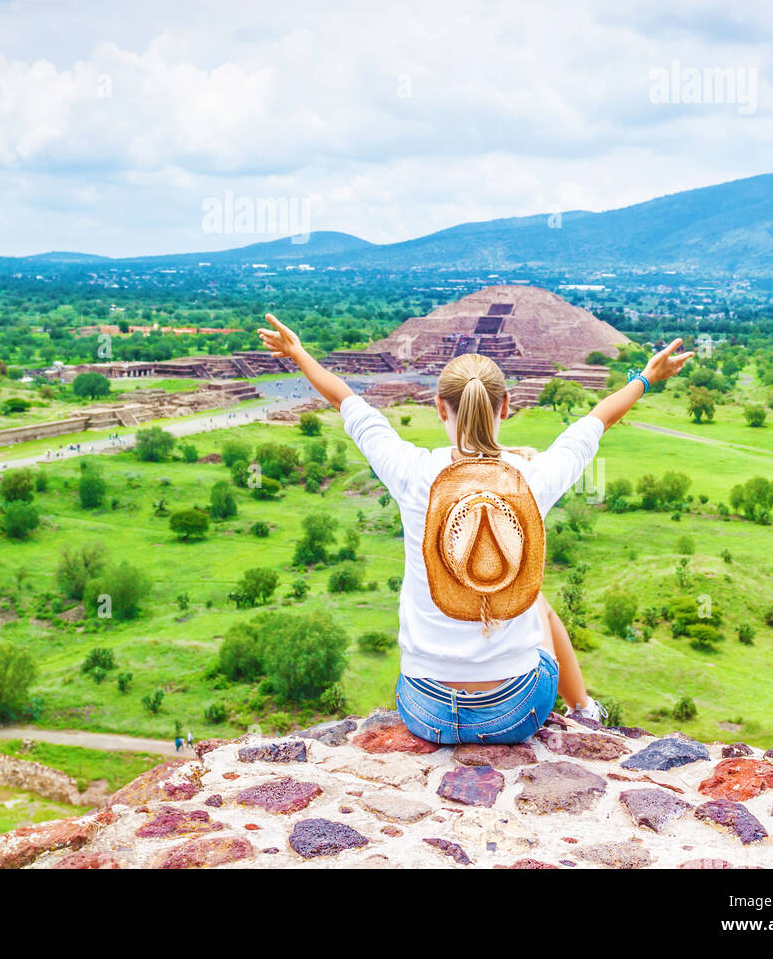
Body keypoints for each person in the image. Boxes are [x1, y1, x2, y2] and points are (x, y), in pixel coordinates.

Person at [257, 313, 693, 746]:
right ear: (506, 406)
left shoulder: (411, 471)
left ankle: (570, 706)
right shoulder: (530, 476)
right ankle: (584, 709)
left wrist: (298, 353)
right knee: (535, 599)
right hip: (517, 712)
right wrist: (647, 377)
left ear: (439, 407)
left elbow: (347, 401)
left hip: (424, 711)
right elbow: (596, 421)